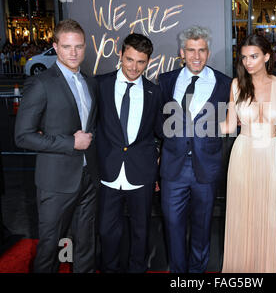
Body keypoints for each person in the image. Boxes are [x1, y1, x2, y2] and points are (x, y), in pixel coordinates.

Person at [15, 19, 98, 273]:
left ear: (85, 47)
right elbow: (22, 136)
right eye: (66, 46)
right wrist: (69, 142)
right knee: (49, 249)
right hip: (55, 182)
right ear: (55, 47)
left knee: (86, 245)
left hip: (88, 178)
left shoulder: (89, 81)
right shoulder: (41, 83)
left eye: (79, 46)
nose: (73, 52)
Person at [158, 26, 231, 273]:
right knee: (173, 226)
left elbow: (230, 124)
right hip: (173, 167)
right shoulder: (166, 81)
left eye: (201, 50)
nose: (196, 56)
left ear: (208, 52)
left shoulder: (224, 84)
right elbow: (158, 122)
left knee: (202, 226)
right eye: (191, 50)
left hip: (206, 168)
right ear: (182, 52)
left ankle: (197, 274)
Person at [220, 34, 276, 273]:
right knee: (245, 222)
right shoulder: (236, 85)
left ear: (267, 56)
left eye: (254, 56)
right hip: (243, 155)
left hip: (271, 156)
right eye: (244, 57)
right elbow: (229, 127)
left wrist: (271, 132)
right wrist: (194, 121)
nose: (248, 62)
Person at [95, 33, 163, 273]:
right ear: (120, 55)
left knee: (141, 231)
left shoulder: (155, 92)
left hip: (141, 171)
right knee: (106, 230)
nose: (134, 67)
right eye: (130, 59)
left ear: (148, 62)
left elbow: (160, 132)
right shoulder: (100, 85)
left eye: (141, 62)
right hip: (107, 170)